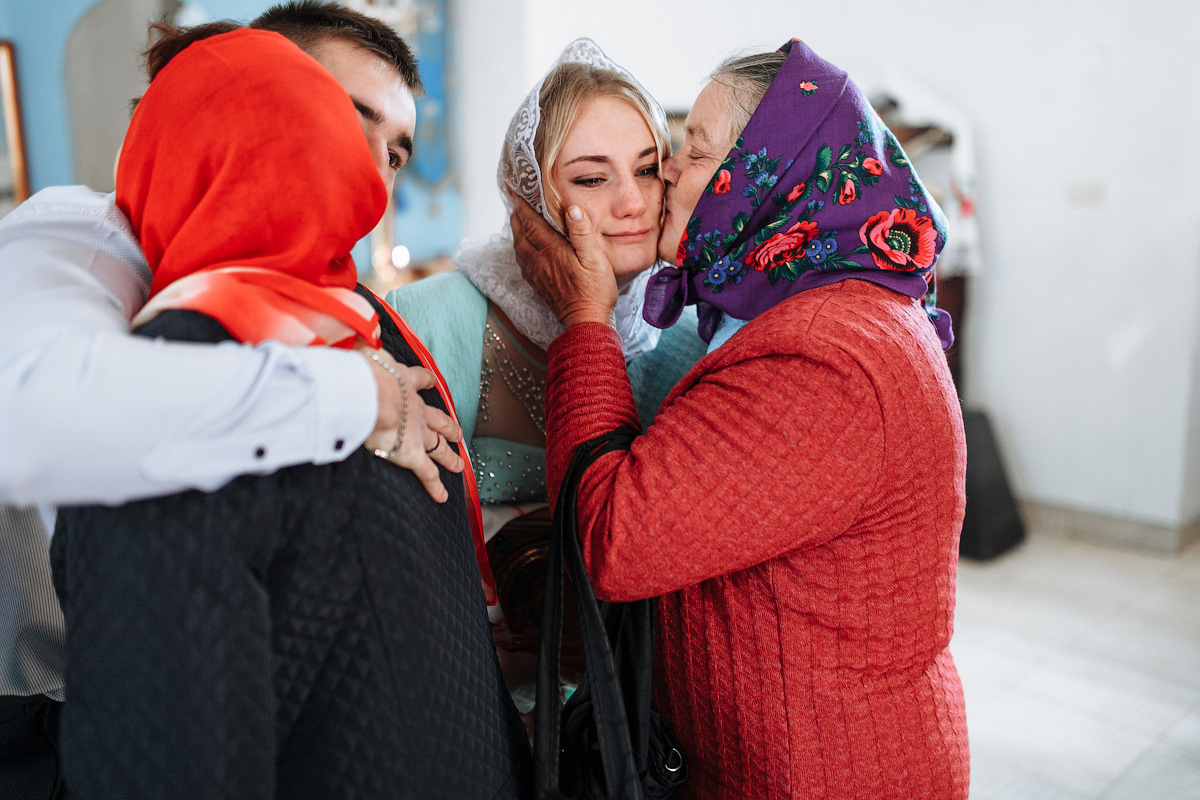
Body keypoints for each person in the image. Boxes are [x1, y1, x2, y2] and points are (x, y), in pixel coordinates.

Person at [50, 25, 531, 800]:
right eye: (333, 118)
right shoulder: (171, 365)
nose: (371, 178)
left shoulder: (367, 324)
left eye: (396, 152)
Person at [512, 39, 969, 800]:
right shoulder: (791, 311)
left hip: (828, 774)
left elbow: (613, 540)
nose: (661, 183)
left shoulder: (827, 357)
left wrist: (584, 316)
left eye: (689, 154)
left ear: (770, 179)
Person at [386, 38, 706, 726]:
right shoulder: (433, 319)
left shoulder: (683, 339)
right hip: (456, 695)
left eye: (648, 170)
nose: (632, 202)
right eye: (592, 178)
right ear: (528, 194)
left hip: (624, 712)